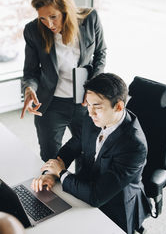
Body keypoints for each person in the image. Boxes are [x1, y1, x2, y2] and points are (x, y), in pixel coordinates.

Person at [31, 73, 151, 234]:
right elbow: (72, 146)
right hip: (84, 187)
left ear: (119, 106)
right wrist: (51, 173)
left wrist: (61, 172)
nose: (90, 112)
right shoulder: (92, 118)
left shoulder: (134, 145)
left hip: (114, 205)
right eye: (88, 105)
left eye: (97, 107)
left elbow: (96, 197)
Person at [20, 0, 106, 162]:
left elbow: (100, 53)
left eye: (53, 17)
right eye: (42, 18)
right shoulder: (33, 31)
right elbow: (30, 72)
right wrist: (29, 89)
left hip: (85, 103)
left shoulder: (90, 18)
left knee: (88, 153)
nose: (48, 24)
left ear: (65, 9)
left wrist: (95, 88)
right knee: (51, 159)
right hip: (51, 105)